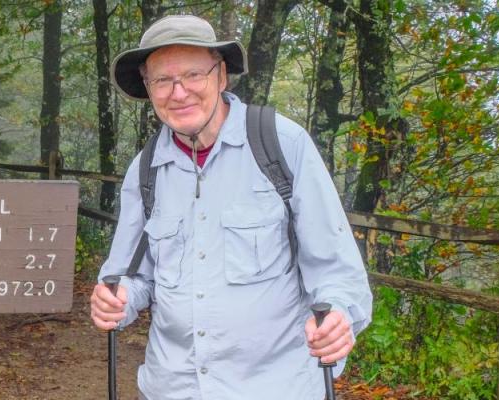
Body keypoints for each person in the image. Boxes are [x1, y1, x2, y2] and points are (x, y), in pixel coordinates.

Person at [90, 15, 373, 400]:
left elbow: (337, 270)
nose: (179, 92)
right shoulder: (144, 170)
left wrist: (340, 314)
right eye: (162, 80)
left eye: (193, 75)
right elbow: (132, 275)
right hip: (171, 389)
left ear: (221, 75)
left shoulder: (282, 146)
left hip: (276, 388)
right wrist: (116, 300)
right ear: (148, 87)